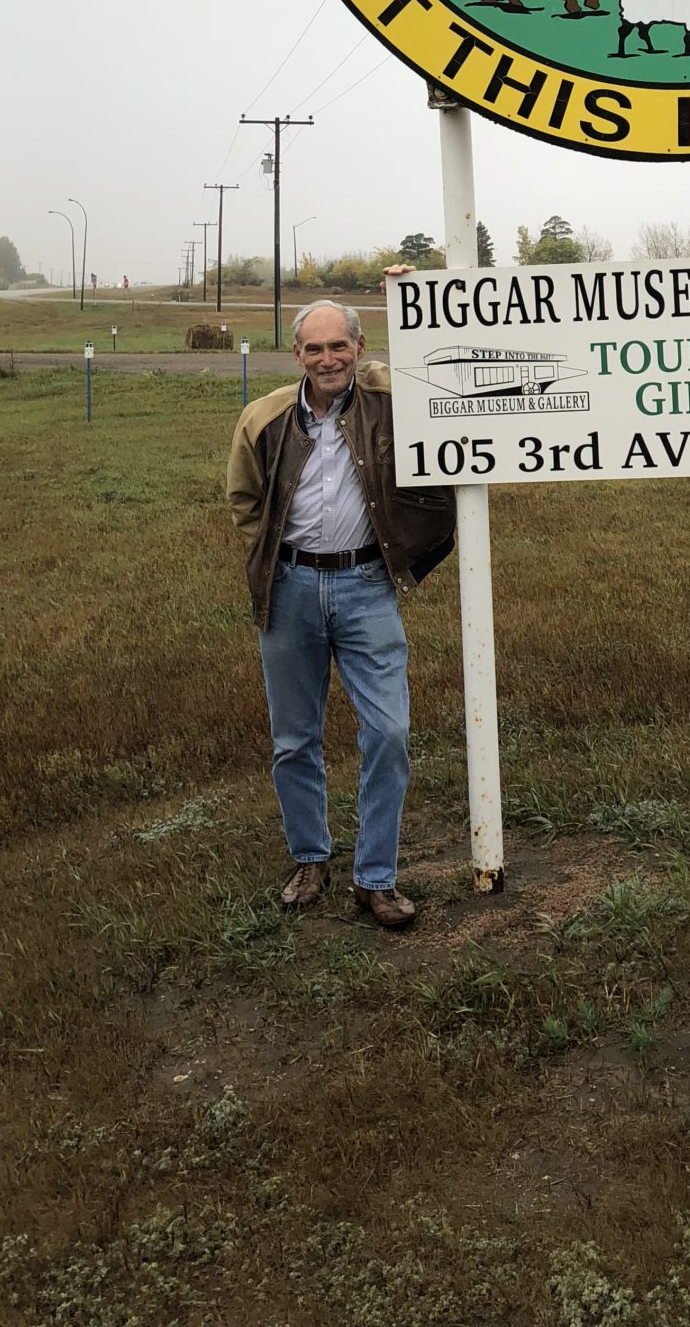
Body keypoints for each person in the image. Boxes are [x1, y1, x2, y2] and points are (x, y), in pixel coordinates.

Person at [226, 299, 454, 926]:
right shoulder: (263, 418)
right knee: (294, 738)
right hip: (290, 588)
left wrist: (415, 291)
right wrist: (277, 555)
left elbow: (433, 366)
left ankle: (375, 879)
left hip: (366, 585)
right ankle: (309, 858)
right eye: (314, 348)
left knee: (389, 732)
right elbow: (244, 499)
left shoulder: (387, 399)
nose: (327, 359)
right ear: (296, 355)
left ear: (359, 348)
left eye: (339, 346)